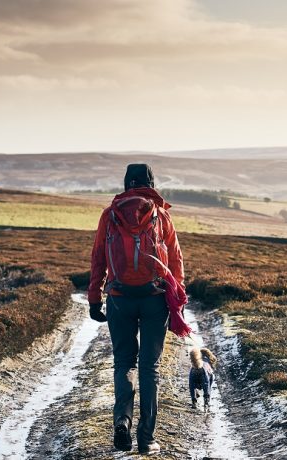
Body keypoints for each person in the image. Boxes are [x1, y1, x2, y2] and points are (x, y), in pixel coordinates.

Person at [88, 163, 184, 455]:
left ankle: (122, 422)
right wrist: (177, 300)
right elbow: (176, 261)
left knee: (124, 363)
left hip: (119, 297)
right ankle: (146, 439)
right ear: (151, 184)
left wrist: (94, 297)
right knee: (149, 367)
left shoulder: (110, 214)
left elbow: (98, 258)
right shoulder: (161, 215)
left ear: (126, 183)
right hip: (154, 297)